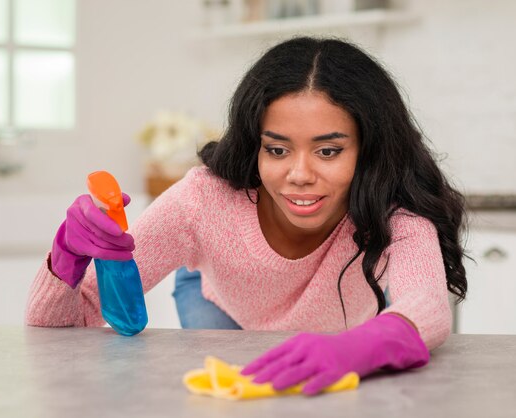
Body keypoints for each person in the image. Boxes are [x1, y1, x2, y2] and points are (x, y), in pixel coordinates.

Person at [26, 36, 467, 395]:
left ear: (368, 150)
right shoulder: (203, 200)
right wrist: (66, 256)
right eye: (276, 149)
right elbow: (67, 324)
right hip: (220, 304)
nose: (299, 175)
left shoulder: (394, 213)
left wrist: (355, 349)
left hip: (344, 329)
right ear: (255, 144)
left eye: (328, 151)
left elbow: (426, 307)